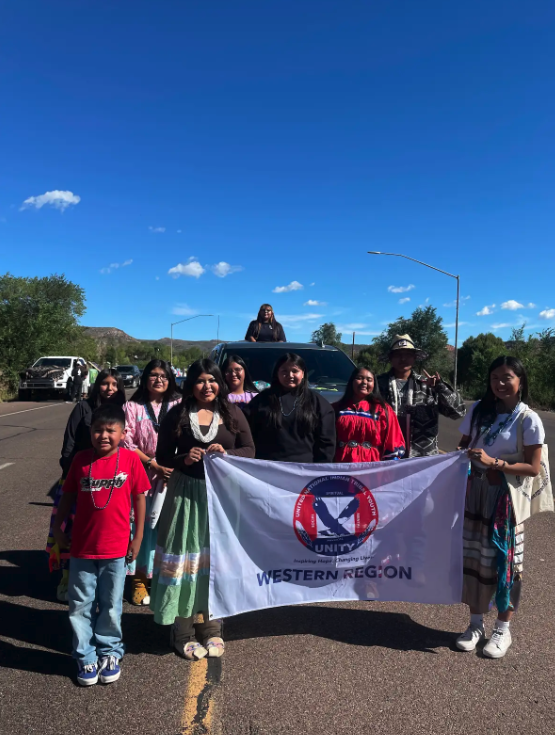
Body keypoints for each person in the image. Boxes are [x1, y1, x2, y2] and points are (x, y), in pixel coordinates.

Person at [150, 359, 255, 660]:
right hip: (186, 494)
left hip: (221, 497)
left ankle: (212, 627)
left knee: (216, 560)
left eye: (212, 380)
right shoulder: (178, 414)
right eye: (200, 380)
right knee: (185, 558)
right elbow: (162, 456)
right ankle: (182, 630)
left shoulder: (232, 413)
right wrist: (184, 457)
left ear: (220, 383)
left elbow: (250, 449)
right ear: (190, 385)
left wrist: (228, 452)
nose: (206, 386)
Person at [455, 356, 550, 659]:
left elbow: (533, 467)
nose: (499, 383)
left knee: (506, 563)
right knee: (474, 560)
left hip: (505, 500)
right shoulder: (479, 410)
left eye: (507, 377)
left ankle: (502, 630)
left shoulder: (528, 419)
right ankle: (475, 624)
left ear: (520, 381)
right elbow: (463, 445)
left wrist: (495, 463)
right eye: (494, 377)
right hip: (475, 493)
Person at [53, 404, 150, 686]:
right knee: (80, 604)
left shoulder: (130, 460)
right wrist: (58, 530)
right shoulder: (81, 460)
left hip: (116, 549)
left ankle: (109, 651)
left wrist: (138, 537)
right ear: (90, 432)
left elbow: (140, 498)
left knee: (111, 603)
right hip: (82, 548)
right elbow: (67, 496)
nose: (104, 435)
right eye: (98, 430)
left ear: (123, 433)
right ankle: (85, 655)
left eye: (111, 430)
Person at [46, 369, 126, 601]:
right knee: (70, 529)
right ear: (96, 385)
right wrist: (69, 473)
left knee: (103, 531)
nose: (109, 388)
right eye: (105, 383)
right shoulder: (83, 408)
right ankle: (66, 577)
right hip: (79, 477)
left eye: (114, 384)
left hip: (110, 482)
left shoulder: (123, 411)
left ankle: (103, 583)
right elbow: (69, 443)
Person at [123, 359, 181, 606]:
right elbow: (126, 441)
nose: (159, 380)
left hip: (172, 474)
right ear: (145, 378)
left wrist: (173, 466)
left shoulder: (179, 405)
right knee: (141, 526)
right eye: (154, 375)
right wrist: (152, 464)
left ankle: (161, 579)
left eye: (164, 376)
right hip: (142, 474)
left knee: (167, 528)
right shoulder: (132, 407)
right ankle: (138, 580)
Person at [377, 334, 466, 457]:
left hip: (422, 459)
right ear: (390, 358)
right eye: (398, 354)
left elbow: (459, 412)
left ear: (414, 357)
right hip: (385, 456)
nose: (403, 358)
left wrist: (440, 387)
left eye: (408, 354)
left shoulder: (428, 385)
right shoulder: (377, 385)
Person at [247, 353, 336, 463]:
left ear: (303, 373)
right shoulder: (261, 400)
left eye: (295, 371)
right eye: (284, 371)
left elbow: (326, 442)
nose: (290, 375)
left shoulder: (318, 403)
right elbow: (246, 434)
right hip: (268, 467)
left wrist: (319, 468)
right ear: (277, 373)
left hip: (305, 469)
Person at [333, 367, 405, 463]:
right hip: (342, 462)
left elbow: (393, 440)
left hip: (372, 465)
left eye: (369, 380)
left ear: (374, 384)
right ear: (352, 381)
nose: (364, 382)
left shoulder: (383, 410)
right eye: (359, 378)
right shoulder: (337, 409)